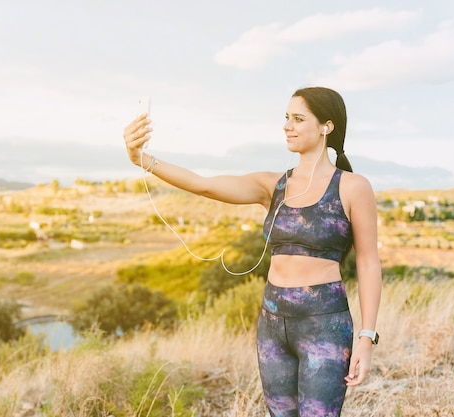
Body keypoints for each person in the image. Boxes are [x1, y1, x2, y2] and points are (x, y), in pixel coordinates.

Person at [122, 86, 382, 416]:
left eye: (298, 119)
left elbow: (368, 262)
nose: (287, 125)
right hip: (272, 325)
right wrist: (141, 159)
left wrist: (366, 338)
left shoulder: (352, 187)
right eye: (286, 117)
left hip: (324, 325)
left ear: (326, 127)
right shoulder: (271, 185)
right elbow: (203, 184)